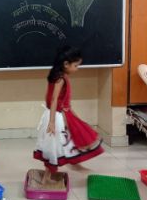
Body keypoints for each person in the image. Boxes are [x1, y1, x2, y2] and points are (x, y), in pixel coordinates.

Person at [33, 45, 104, 183]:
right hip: (56, 116)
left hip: (61, 114)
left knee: (69, 142)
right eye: (76, 66)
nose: (77, 69)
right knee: (54, 146)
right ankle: (47, 178)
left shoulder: (59, 75)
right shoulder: (60, 79)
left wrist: (74, 117)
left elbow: (57, 100)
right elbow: (53, 99)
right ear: (66, 64)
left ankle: (75, 164)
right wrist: (52, 122)